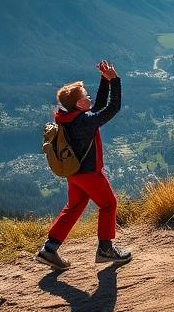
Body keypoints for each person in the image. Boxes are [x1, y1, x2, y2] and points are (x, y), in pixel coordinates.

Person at [35, 60, 131, 270]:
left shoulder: (68, 118)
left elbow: (96, 108)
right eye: (86, 96)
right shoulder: (85, 121)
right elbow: (112, 107)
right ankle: (105, 249)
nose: (89, 98)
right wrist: (115, 80)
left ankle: (49, 249)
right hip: (89, 173)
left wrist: (104, 81)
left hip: (74, 173)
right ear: (79, 104)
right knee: (108, 204)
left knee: (75, 206)